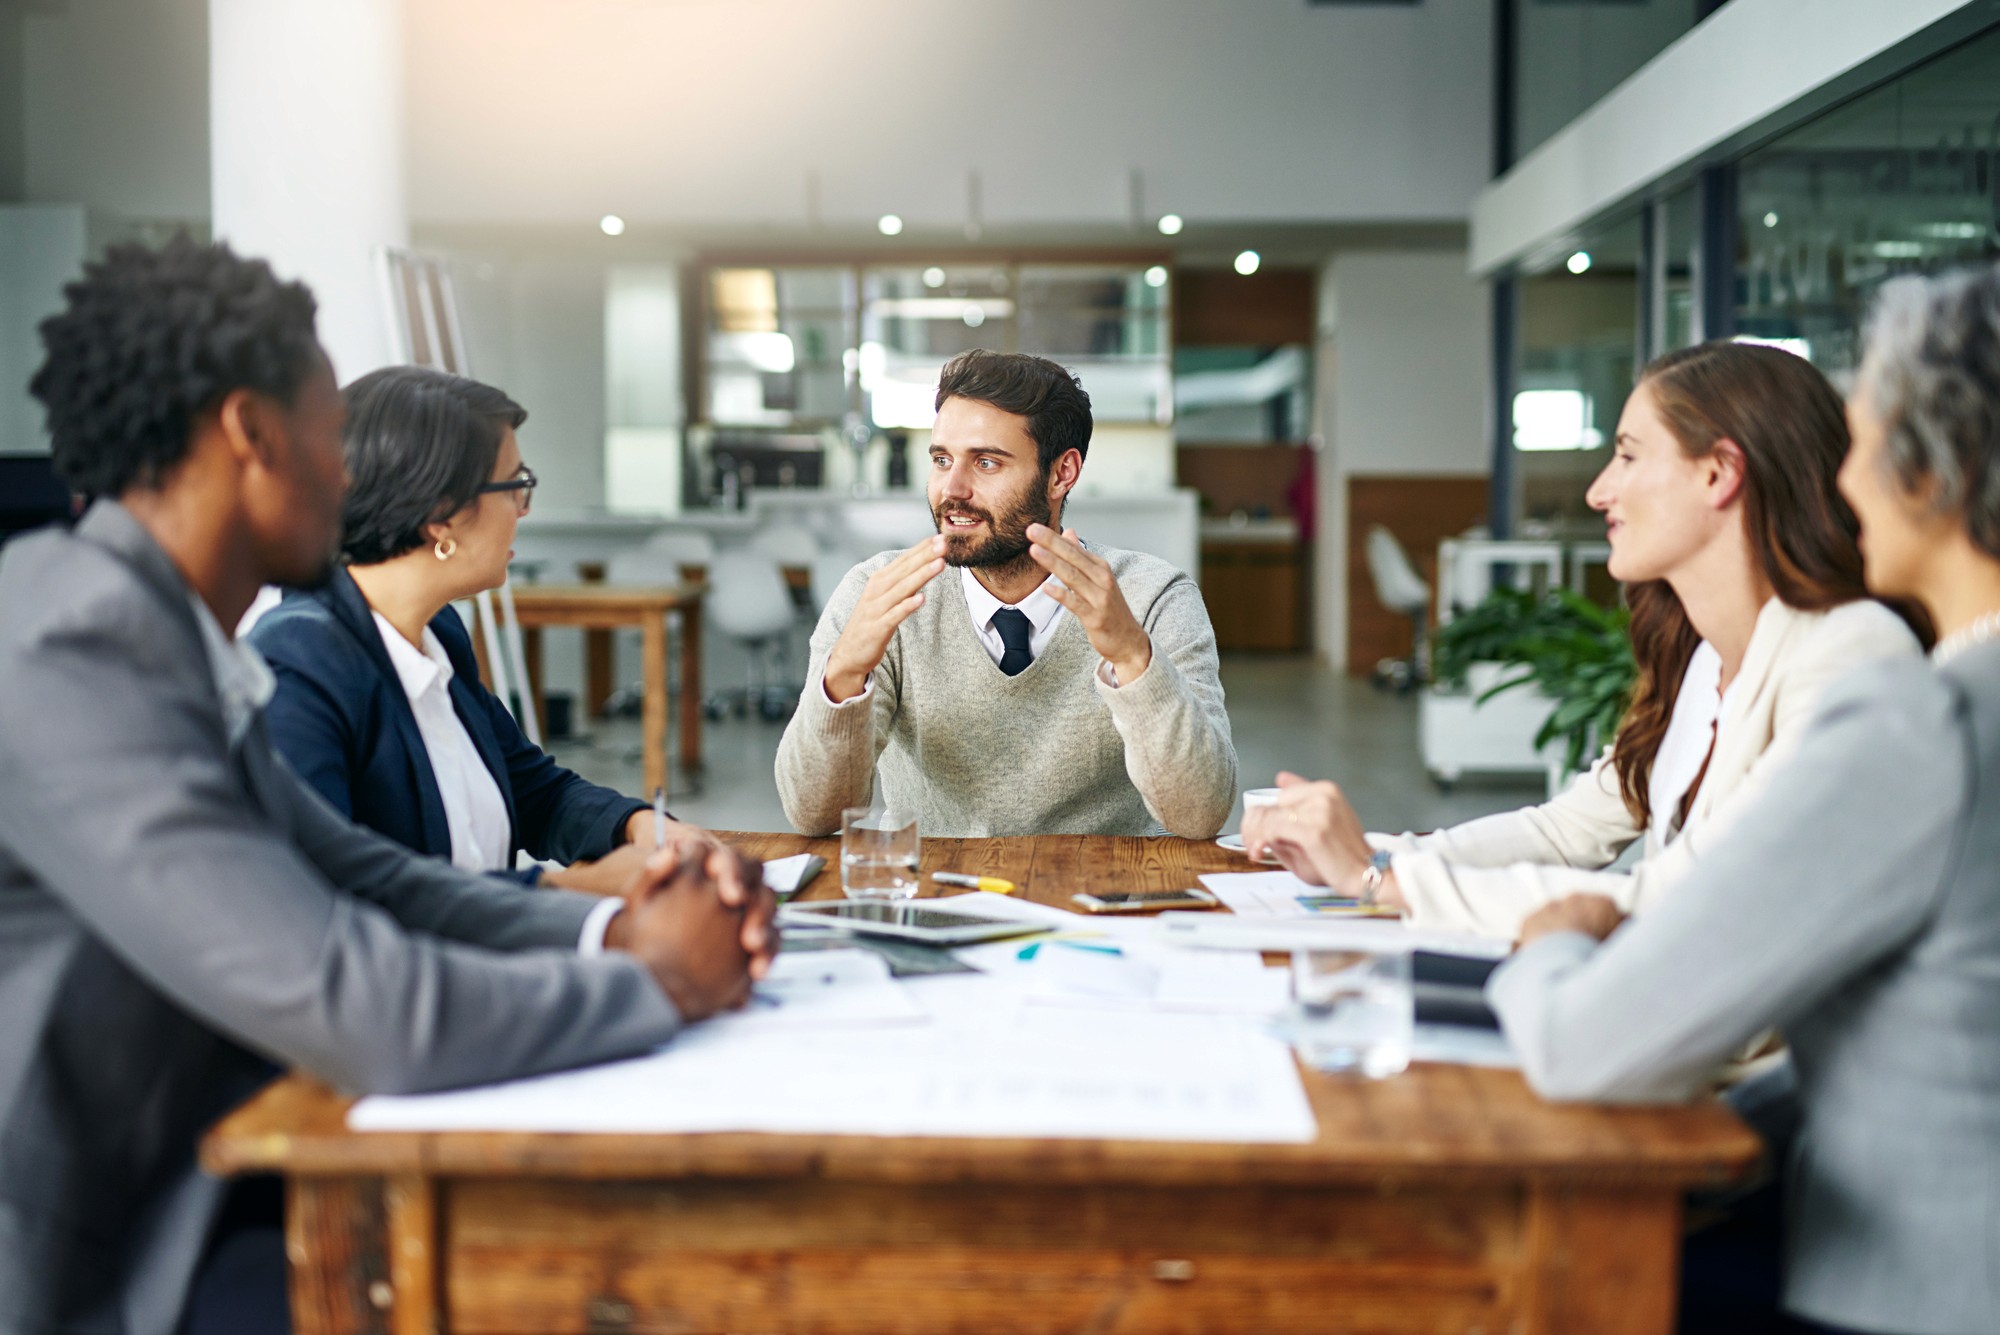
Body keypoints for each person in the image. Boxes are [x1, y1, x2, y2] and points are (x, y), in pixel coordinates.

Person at [0, 237, 776, 1335]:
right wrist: (655, 984)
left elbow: (361, 872)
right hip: (122, 1244)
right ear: (250, 434)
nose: (350, 476)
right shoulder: (74, 646)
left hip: (223, 1168)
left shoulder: (159, 629)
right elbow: (353, 997)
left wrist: (616, 930)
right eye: (330, 435)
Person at [1488, 266, 2000, 1335]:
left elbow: (1588, 1048)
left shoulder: (1920, 726)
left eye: (1858, 443)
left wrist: (1553, 941)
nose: (1840, 483)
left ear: (1935, 467)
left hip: (1898, 1293)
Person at [1243, 341, 1922, 938]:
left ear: (1718, 473)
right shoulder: (1702, 655)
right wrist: (1374, 856)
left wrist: (1377, 878)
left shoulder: (1846, 655)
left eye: (1627, 456)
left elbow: (1681, 906)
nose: (1600, 491)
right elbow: (1564, 832)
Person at [249, 366, 698, 894]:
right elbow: (330, 906)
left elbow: (534, 792)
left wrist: (638, 827)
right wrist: (573, 892)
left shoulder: (436, 631)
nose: (523, 511)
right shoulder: (298, 667)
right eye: (516, 487)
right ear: (441, 515)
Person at [776, 350, 1236, 838]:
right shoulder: (881, 595)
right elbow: (813, 816)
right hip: (934, 901)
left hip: (1099, 905)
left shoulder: (1153, 598)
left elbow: (1199, 815)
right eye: (941, 460)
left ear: (1062, 473)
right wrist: (844, 673)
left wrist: (1132, 656)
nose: (952, 489)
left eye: (987, 462)